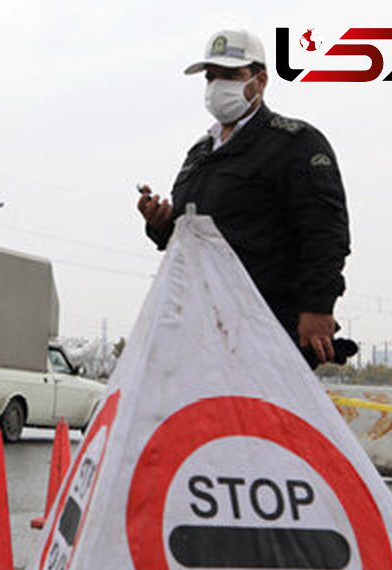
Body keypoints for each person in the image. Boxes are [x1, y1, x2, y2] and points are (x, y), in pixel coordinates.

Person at [137, 29, 352, 367]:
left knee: (257, 420)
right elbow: (190, 232)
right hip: (200, 328)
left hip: (265, 327)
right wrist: (161, 224)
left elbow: (325, 232)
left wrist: (318, 307)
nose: (218, 86)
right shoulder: (201, 152)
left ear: (260, 80)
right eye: (211, 77)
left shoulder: (295, 144)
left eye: (231, 76)